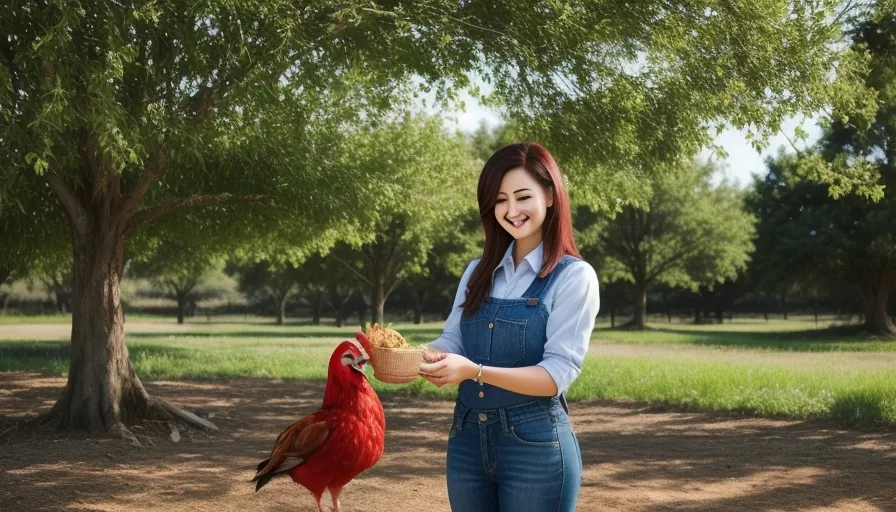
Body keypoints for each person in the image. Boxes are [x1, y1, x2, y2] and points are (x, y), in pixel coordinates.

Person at [419, 142, 600, 512]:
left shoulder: (574, 277)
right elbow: (452, 339)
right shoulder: (477, 272)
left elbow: (555, 376)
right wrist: (410, 356)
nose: (512, 210)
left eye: (522, 197)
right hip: (466, 440)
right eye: (501, 200)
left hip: (535, 446)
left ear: (549, 195)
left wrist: (474, 371)